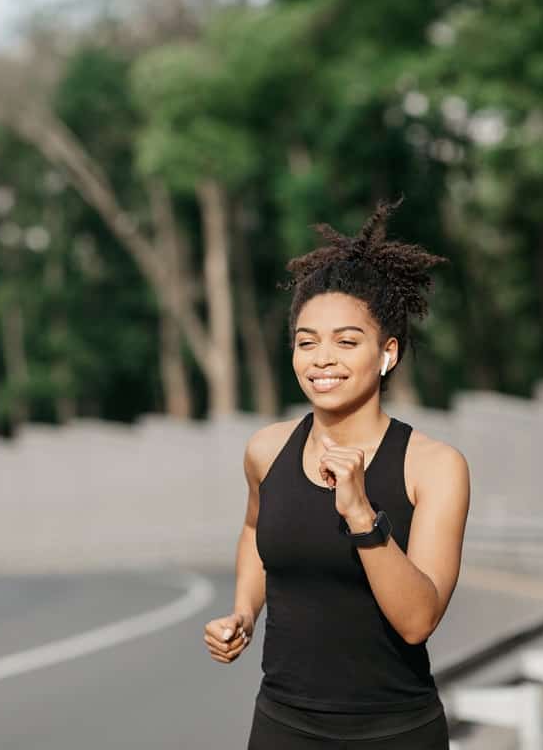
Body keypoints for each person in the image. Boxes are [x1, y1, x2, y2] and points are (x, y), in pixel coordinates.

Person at [202, 199, 471, 749]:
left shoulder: (434, 466)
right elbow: (256, 530)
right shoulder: (266, 450)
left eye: (347, 341)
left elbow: (419, 621)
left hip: (396, 733)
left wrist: (361, 514)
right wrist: (244, 611)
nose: (322, 358)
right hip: (283, 727)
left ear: (386, 354)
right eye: (307, 342)